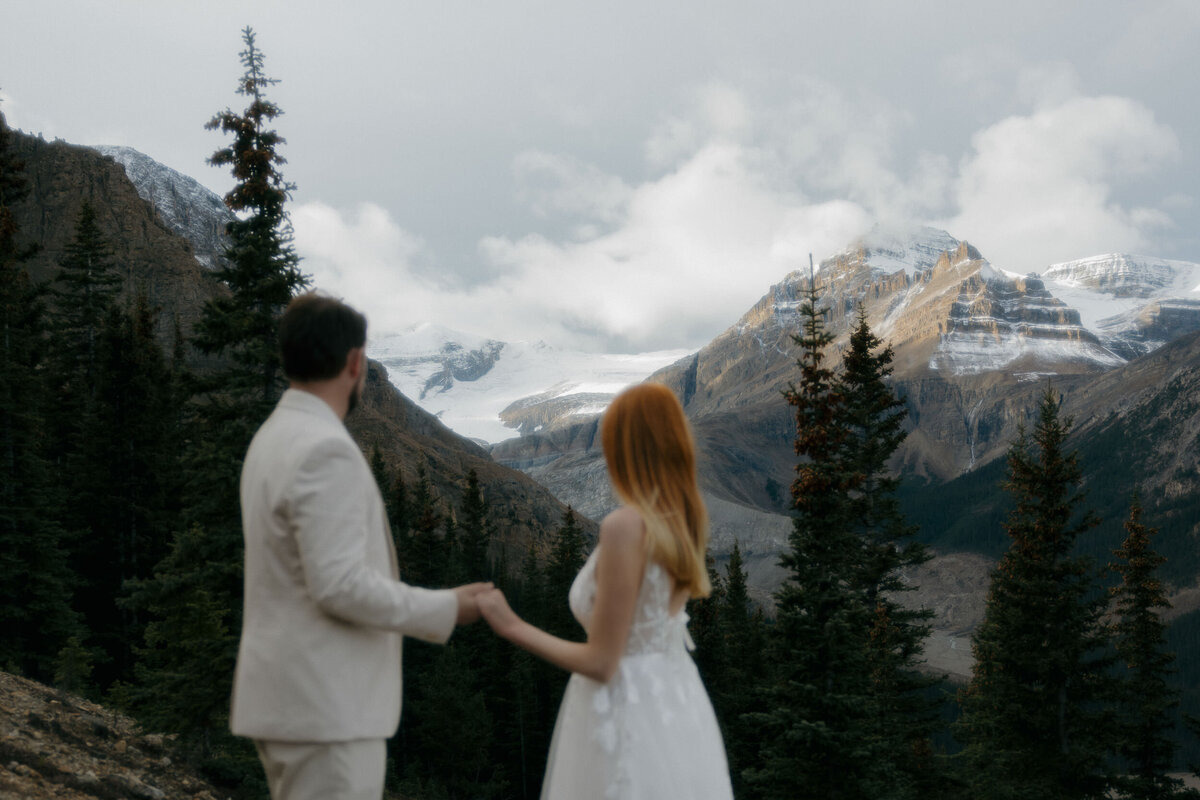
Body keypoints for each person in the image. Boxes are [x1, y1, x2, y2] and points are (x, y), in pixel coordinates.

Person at [230, 292, 492, 800]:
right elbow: (339, 586)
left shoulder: (272, 437)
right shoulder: (325, 448)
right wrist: (447, 607)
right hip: (328, 708)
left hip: (290, 701)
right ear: (354, 362)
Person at [478, 382, 734, 799]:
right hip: (677, 705)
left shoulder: (625, 527)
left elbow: (602, 662)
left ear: (626, 450)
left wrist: (510, 626)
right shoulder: (682, 523)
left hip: (624, 710)